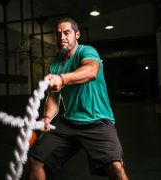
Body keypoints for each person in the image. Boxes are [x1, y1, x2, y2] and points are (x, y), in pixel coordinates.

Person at [29, 17, 128, 180]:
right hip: (69, 123)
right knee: (37, 160)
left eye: (67, 33)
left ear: (77, 35)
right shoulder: (55, 65)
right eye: (58, 34)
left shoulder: (87, 51)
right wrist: (47, 117)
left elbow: (91, 72)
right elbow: (54, 98)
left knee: (116, 167)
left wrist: (62, 79)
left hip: (98, 121)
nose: (62, 38)